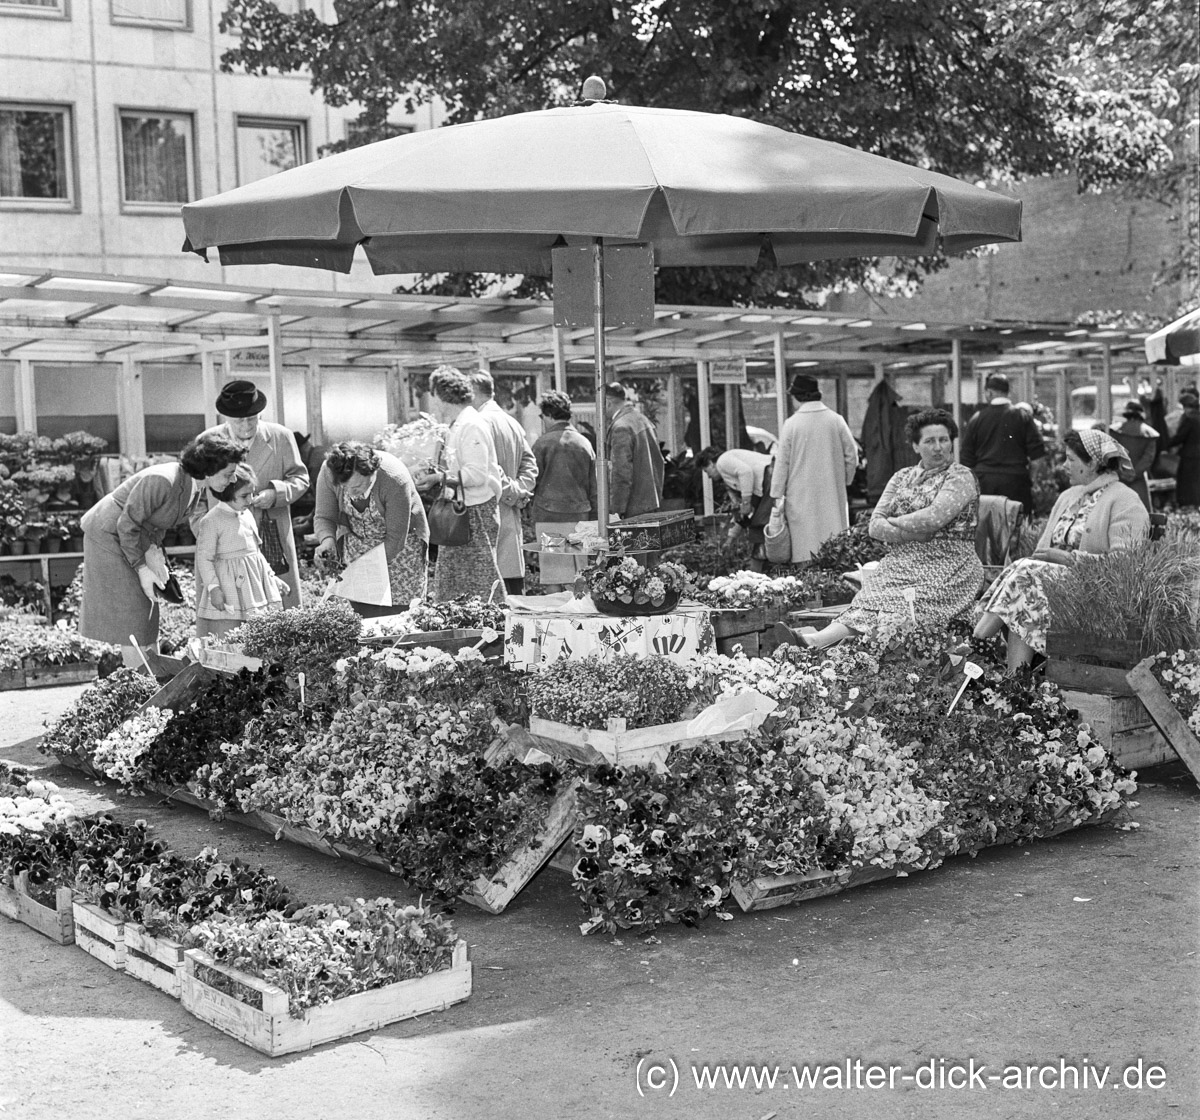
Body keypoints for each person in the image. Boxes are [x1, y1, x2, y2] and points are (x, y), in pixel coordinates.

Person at [774, 409, 982, 650]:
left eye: (944, 440)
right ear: (915, 446)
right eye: (929, 441)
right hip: (902, 560)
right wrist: (910, 533)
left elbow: (933, 519)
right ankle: (814, 641)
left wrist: (893, 522)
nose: (938, 447)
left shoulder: (960, 476)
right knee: (869, 600)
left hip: (950, 563)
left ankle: (829, 646)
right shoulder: (902, 476)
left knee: (906, 605)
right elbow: (875, 525)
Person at [974, 429, 1149, 671]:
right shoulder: (1069, 495)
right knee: (1024, 579)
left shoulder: (1126, 501)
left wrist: (1067, 558)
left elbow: (1123, 566)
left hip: (1094, 592)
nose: (1064, 465)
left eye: (1071, 459)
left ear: (1093, 463)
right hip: (1052, 587)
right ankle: (1014, 680)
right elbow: (1041, 551)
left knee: (1026, 574)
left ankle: (977, 642)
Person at [78, 432, 246, 666]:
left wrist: (154, 554)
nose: (233, 479)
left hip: (133, 536)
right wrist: (142, 567)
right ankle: (140, 682)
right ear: (209, 468)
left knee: (149, 605)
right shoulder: (162, 479)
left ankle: (153, 673)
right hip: (108, 535)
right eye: (229, 473)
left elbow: (158, 521)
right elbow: (127, 524)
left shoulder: (194, 486)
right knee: (133, 610)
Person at [197, 380, 309, 609]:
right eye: (239, 420)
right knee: (229, 610)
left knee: (278, 607)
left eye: (252, 418)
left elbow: (301, 478)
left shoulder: (281, 437)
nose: (247, 425)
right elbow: (194, 495)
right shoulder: (207, 442)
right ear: (225, 418)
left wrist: (275, 493)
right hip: (222, 538)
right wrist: (202, 527)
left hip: (271, 533)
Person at [413, 366, 506, 603]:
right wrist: (437, 474)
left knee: (479, 579)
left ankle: (492, 626)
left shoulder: (471, 425)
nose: (431, 400)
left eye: (432, 393)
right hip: (464, 512)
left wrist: (439, 478)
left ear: (442, 394)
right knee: (459, 581)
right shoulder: (459, 424)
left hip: (474, 514)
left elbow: (477, 475)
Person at [313, 441, 429, 616]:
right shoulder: (330, 471)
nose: (351, 493)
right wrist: (327, 541)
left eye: (357, 487)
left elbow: (396, 540)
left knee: (399, 616)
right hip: (357, 545)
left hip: (400, 551)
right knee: (360, 613)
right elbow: (324, 516)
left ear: (372, 472)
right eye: (345, 487)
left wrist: (360, 572)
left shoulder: (393, 478)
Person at [768, 374, 859, 563]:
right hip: (833, 495)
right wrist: (844, 481)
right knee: (835, 548)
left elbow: (782, 463)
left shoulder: (791, 424)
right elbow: (852, 456)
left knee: (805, 550)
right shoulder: (836, 420)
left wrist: (777, 494)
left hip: (799, 497)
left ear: (798, 397)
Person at [194, 464, 285, 639]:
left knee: (256, 632)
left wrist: (272, 577)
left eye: (252, 493)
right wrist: (214, 588)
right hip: (228, 588)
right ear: (226, 493)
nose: (250, 500)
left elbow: (256, 552)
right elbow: (204, 559)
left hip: (253, 587)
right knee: (228, 635)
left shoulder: (247, 514)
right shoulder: (211, 520)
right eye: (244, 495)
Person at [469, 371, 538, 596]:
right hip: (510, 515)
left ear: (472, 393)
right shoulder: (512, 422)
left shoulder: (477, 423)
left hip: (488, 513)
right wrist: (520, 491)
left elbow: (488, 468)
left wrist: (513, 493)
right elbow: (530, 466)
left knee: (490, 596)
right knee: (513, 590)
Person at [959, 373, 1046, 511]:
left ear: (989, 392)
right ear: (1008, 392)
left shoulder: (977, 419)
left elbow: (966, 460)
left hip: (985, 483)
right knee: (1017, 528)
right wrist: (1030, 479)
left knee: (986, 529)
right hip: (1016, 483)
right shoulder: (1022, 417)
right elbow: (1038, 456)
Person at [529, 390, 596, 528]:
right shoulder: (585, 443)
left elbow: (531, 480)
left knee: (549, 550)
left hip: (547, 515)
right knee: (577, 550)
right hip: (580, 514)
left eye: (542, 416)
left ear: (549, 415)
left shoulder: (542, 443)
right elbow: (594, 486)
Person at [696, 445, 774, 556]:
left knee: (760, 523)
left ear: (710, 463)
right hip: (768, 479)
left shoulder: (722, 461)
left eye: (706, 470)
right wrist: (730, 540)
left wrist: (746, 502)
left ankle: (761, 561)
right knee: (759, 522)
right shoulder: (733, 480)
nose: (708, 476)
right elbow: (743, 515)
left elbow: (746, 472)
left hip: (770, 476)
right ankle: (761, 560)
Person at [605, 382, 664, 518]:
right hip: (650, 502)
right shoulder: (643, 420)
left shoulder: (621, 427)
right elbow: (659, 462)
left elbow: (621, 472)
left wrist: (616, 510)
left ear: (607, 403)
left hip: (632, 507)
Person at [1109, 401, 1159, 510]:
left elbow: (1112, 454)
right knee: (1142, 512)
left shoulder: (1115, 431)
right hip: (1138, 480)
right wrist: (1134, 473)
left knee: (1116, 511)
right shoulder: (1149, 435)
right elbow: (1148, 458)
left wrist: (1121, 471)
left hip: (1118, 478)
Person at [1167, 391, 1200, 507]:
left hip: (1189, 455)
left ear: (1187, 406)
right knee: (1196, 481)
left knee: (1186, 481)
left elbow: (1180, 437)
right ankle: (1195, 504)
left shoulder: (1190, 419)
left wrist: (1166, 445)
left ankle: (1187, 504)